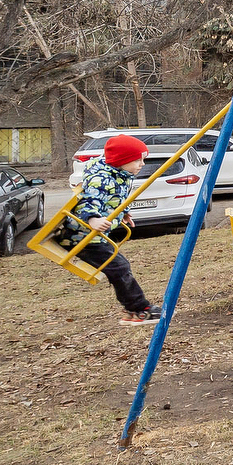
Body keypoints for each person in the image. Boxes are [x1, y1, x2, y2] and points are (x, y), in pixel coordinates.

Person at [61, 133, 161, 325]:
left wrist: (124, 213)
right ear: (122, 160)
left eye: (143, 159)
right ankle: (139, 310)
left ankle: (133, 309)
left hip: (92, 236)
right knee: (119, 268)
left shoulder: (119, 174)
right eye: (137, 160)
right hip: (83, 236)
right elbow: (89, 201)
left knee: (119, 268)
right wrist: (92, 219)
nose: (142, 164)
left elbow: (115, 198)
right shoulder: (101, 178)